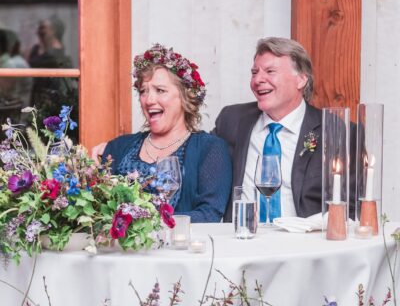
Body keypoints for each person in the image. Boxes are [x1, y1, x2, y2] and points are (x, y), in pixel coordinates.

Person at [214, 36, 356, 222]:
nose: (258, 80)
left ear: (301, 80)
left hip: (304, 243)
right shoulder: (232, 119)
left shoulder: (334, 129)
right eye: (254, 72)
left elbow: (353, 206)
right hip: (244, 240)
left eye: (270, 71)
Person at [99, 44, 232, 223]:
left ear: (185, 97)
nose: (149, 100)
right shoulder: (118, 146)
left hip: (179, 249)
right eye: (143, 91)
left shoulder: (210, 148)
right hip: (124, 251)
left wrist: (147, 224)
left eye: (160, 90)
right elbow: (99, 208)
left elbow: (209, 214)